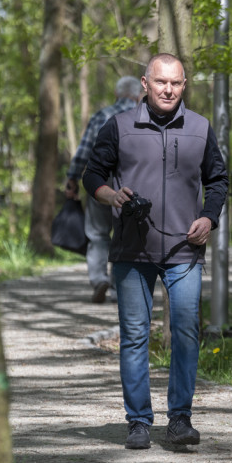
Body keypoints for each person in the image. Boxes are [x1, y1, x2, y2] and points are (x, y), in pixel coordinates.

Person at [82, 53, 228, 450]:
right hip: (132, 249)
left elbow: (218, 179)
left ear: (184, 85)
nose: (168, 89)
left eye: (176, 83)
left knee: (184, 332)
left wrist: (209, 218)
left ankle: (180, 420)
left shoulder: (200, 128)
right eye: (161, 82)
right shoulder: (120, 126)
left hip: (185, 248)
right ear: (145, 84)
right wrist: (110, 194)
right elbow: (92, 174)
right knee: (133, 336)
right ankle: (138, 422)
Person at [65, 75, 143, 303]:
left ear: (117, 94)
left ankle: (99, 279)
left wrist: (72, 178)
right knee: (125, 233)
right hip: (132, 182)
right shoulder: (143, 117)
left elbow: (84, 150)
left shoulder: (101, 115)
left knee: (98, 234)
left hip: (101, 181)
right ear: (138, 95)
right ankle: (120, 289)